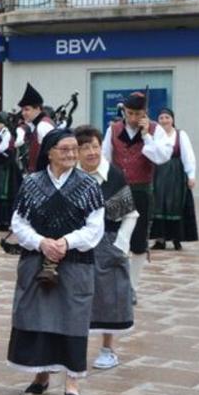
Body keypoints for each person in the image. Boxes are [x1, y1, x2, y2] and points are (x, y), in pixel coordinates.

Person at [8, 129, 104, 395]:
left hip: (75, 264)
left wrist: (65, 242)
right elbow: (18, 223)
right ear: (49, 152)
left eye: (75, 149)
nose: (72, 154)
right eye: (65, 149)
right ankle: (41, 375)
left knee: (73, 318)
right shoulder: (32, 183)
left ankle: (72, 382)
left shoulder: (88, 185)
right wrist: (41, 243)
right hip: (38, 261)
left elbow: (94, 228)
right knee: (39, 318)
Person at [73, 125, 136, 370]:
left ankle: (108, 349)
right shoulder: (72, 177)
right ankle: (73, 348)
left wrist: (119, 246)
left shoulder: (113, 176)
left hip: (107, 243)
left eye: (95, 146)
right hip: (77, 244)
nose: (91, 152)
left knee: (110, 298)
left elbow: (130, 215)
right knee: (76, 297)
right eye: (85, 147)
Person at [102, 91, 173, 296]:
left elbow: (161, 157)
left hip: (142, 191)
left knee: (139, 240)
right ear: (124, 111)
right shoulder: (113, 130)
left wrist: (146, 136)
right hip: (118, 189)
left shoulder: (155, 130)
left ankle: (132, 287)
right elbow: (105, 158)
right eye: (129, 113)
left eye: (137, 114)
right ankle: (115, 282)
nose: (133, 118)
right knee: (114, 235)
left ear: (145, 113)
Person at [150, 108, 197, 251]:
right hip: (158, 173)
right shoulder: (154, 136)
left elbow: (188, 156)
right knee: (158, 205)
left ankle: (177, 239)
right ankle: (160, 240)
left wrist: (191, 175)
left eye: (167, 117)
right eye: (161, 118)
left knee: (175, 204)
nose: (164, 120)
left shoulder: (180, 135)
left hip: (176, 174)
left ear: (172, 120)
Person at [17, 82, 54, 172]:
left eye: (27, 109)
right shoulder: (38, 125)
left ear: (37, 108)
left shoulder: (43, 126)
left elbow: (50, 156)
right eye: (22, 110)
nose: (23, 113)